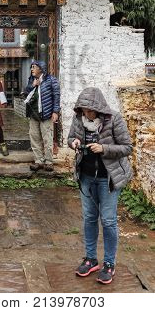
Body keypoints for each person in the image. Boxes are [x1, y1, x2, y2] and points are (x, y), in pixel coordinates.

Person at [68, 87, 133, 285]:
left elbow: (127, 147)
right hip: (86, 177)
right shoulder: (79, 119)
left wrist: (104, 148)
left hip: (108, 179)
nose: (86, 113)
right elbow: (70, 138)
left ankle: (109, 264)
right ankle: (90, 259)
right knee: (89, 218)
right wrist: (74, 143)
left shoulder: (114, 118)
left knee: (108, 221)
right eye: (83, 109)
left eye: (90, 110)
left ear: (98, 108)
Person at [24, 60, 60, 171]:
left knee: (47, 138)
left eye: (34, 67)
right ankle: (38, 161)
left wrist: (55, 111)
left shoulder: (51, 80)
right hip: (33, 114)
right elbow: (25, 94)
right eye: (31, 67)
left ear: (40, 68)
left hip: (46, 113)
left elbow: (56, 96)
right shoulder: (31, 80)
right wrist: (33, 85)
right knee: (34, 137)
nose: (32, 69)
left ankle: (49, 161)